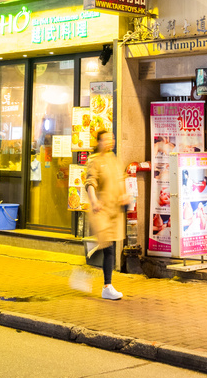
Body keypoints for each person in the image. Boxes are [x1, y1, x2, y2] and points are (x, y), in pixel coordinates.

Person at [76, 128, 127, 300]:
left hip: (114, 210)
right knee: (108, 247)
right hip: (102, 210)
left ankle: (82, 275)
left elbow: (120, 180)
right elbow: (90, 182)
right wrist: (94, 201)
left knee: (106, 246)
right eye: (106, 139)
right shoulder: (95, 161)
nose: (110, 142)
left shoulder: (113, 159)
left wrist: (125, 195)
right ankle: (107, 286)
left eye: (111, 138)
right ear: (99, 142)